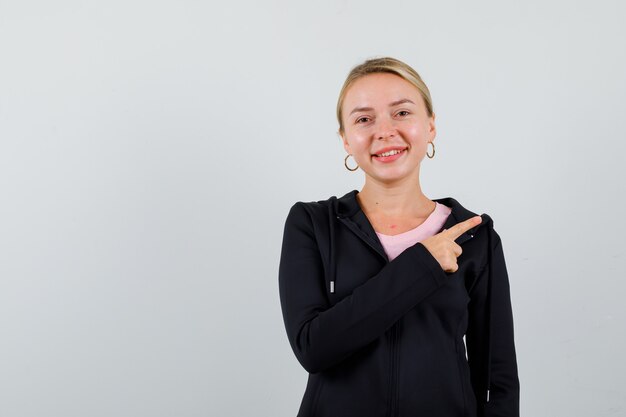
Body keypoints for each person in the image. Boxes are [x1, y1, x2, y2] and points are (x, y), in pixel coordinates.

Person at [278, 56, 520, 417]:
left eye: (402, 113)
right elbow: (313, 348)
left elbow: (495, 380)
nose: (385, 131)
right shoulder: (312, 224)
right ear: (346, 140)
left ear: (431, 126)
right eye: (364, 119)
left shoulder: (472, 236)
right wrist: (421, 264)